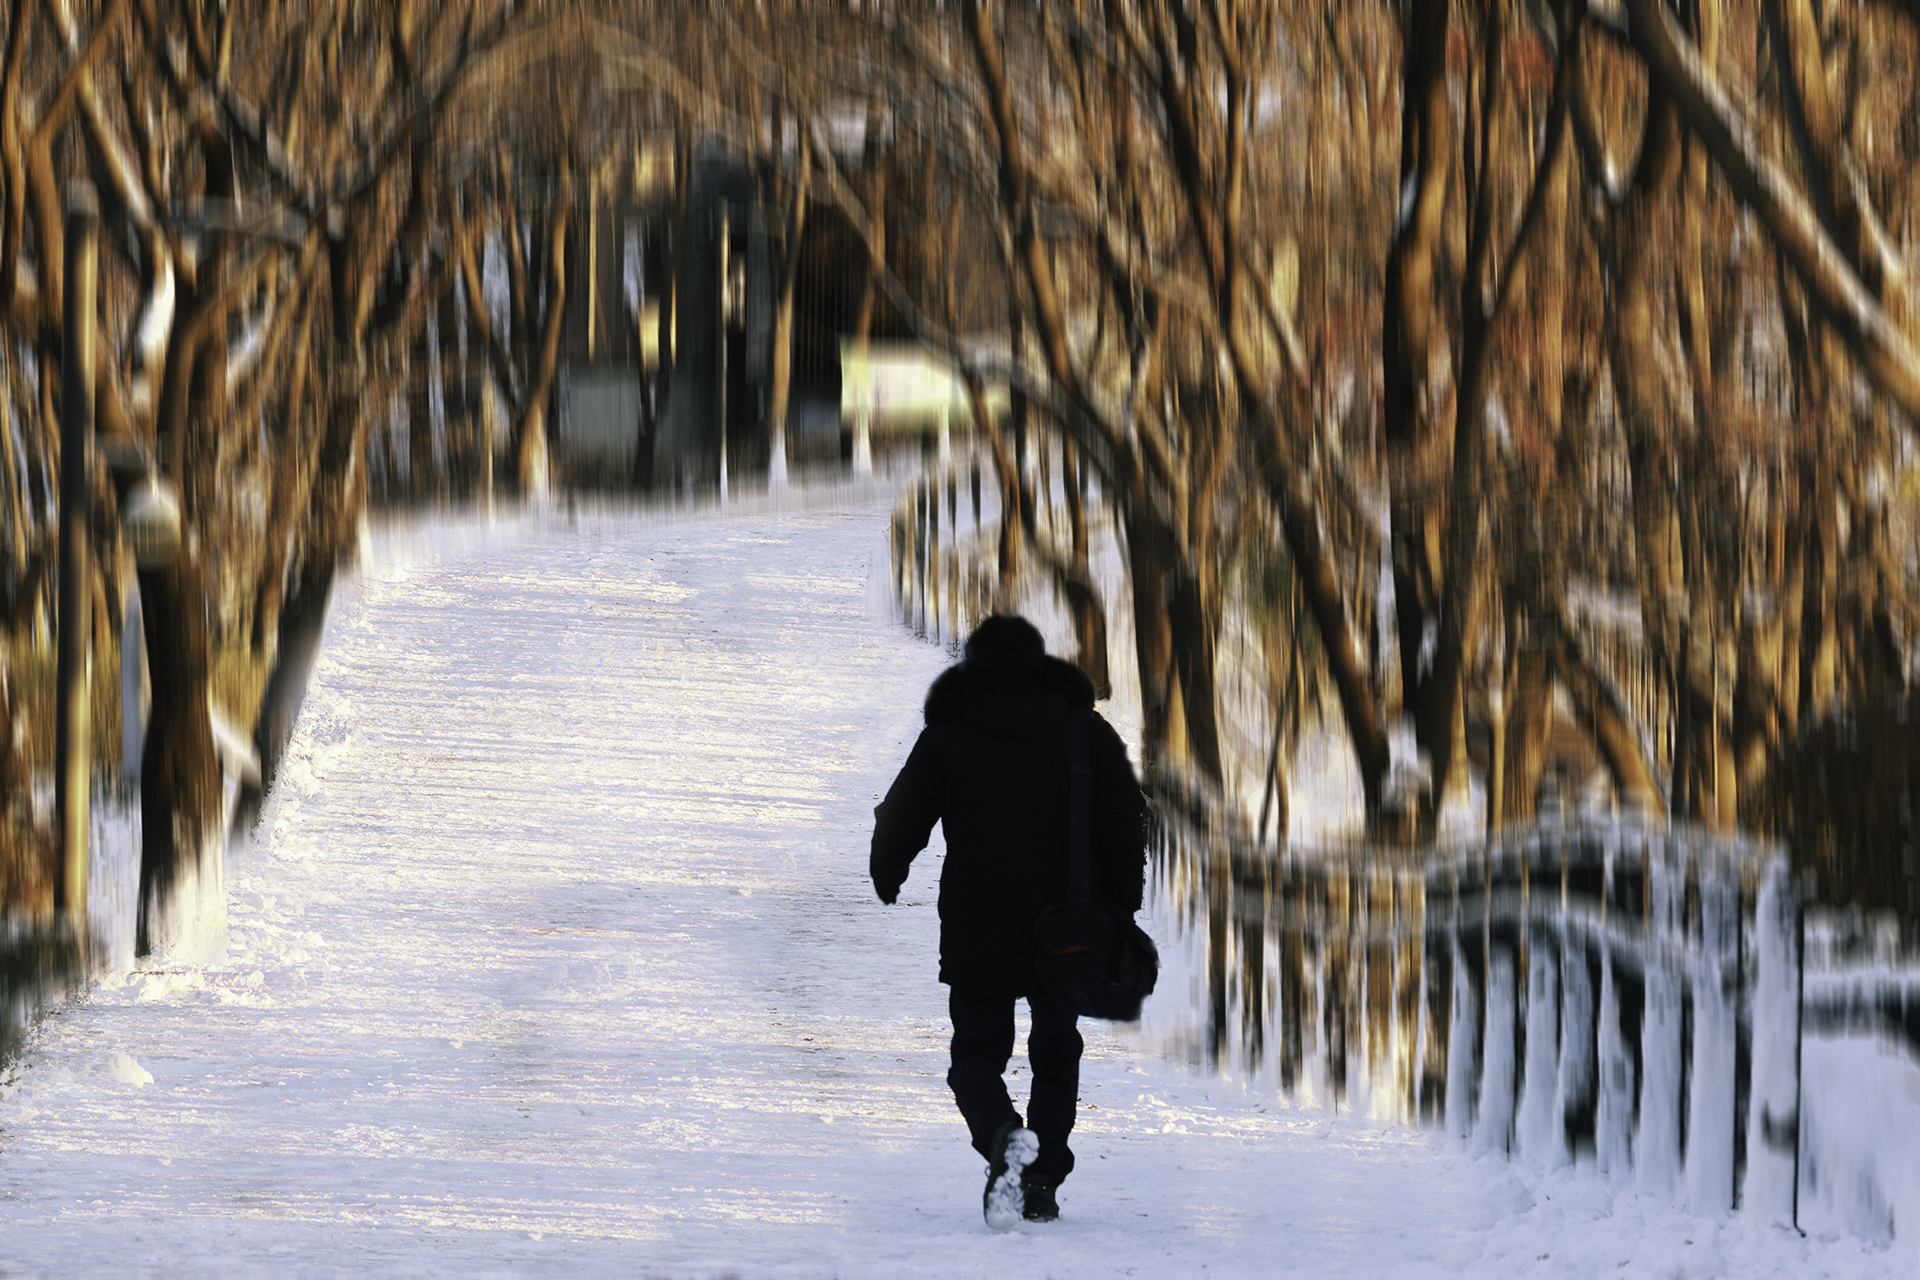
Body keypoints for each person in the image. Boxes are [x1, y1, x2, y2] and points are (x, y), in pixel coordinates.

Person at [870, 614, 1146, 1226]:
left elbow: (901, 817)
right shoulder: (1086, 734)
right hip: (1069, 927)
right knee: (1056, 1051)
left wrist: (887, 872)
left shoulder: (948, 736)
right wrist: (1122, 908)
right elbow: (1126, 824)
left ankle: (1000, 1136)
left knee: (975, 1050)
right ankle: (1041, 1180)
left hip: (977, 925)